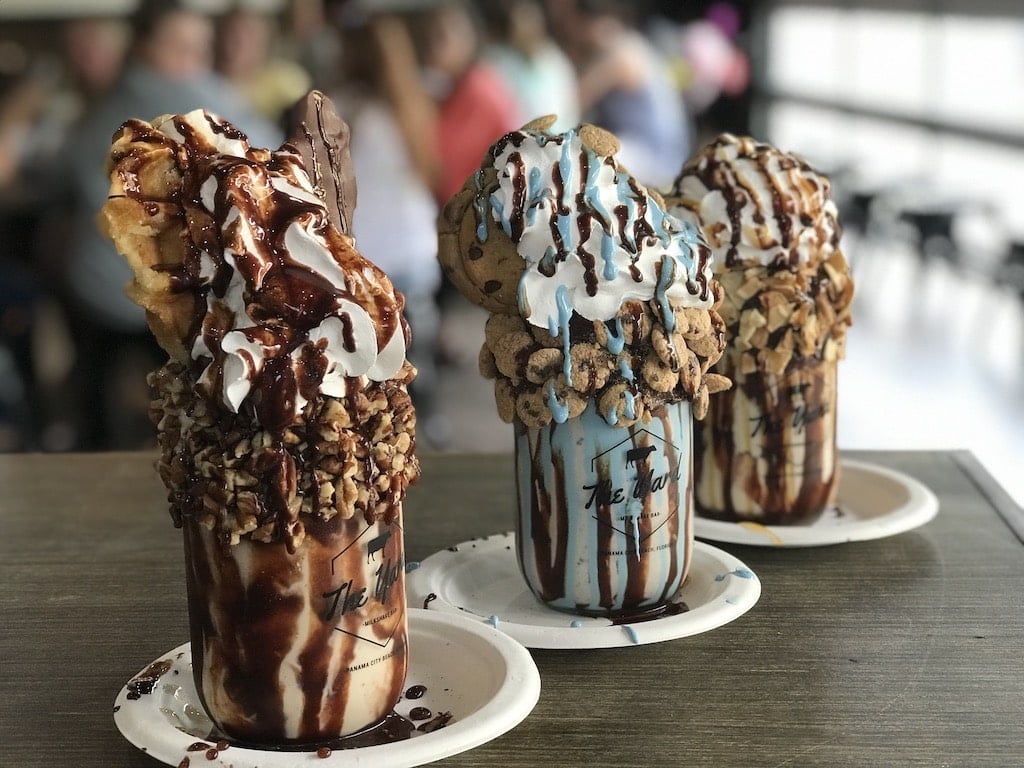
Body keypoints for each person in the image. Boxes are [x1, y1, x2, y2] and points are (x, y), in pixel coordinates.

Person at [57, 0, 280, 450]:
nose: (192, 59)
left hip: (102, 290)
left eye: (200, 47)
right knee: (198, 416)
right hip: (173, 294)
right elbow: (271, 163)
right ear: (142, 47)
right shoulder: (201, 100)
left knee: (102, 412)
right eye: (180, 46)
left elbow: (65, 174)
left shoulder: (107, 104)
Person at [331, 8, 449, 445]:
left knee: (371, 373)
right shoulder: (415, 104)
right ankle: (430, 441)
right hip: (415, 250)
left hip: (366, 257)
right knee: (420, 367)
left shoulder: (340, 108)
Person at [552, 0, 692, 188]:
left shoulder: (622, 53)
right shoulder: (630, 42)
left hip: (656, 158)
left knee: (580, 158)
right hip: (656, 152)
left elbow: (573, 102)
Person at [413, 0, 521, 205]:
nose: (431, 46)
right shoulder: (457, 85)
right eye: (427, 37)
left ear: (469, 38)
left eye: (441, 36)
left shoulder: (478, 91)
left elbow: (438, 159)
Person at [479, 0, 579, 130]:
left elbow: (568, 110)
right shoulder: (496, 59)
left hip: (557, 140)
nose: (526, 29)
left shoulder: (555, 60)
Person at [215, 6, 313, 125]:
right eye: (230, 35)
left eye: (249, 39)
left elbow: (309, 118)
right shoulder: (201, 80)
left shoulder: (286, 80)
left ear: (265, 44)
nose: (232, 46)